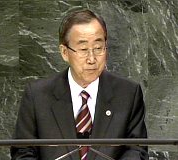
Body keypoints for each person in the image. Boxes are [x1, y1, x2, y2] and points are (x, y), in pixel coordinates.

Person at [11, 9, 148, 160]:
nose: (92, 59)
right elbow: (22, 153)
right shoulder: (37, 96)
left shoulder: (128, 94)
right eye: (83, 49)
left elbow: (136, 151)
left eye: (98, 48)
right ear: (64, 52)